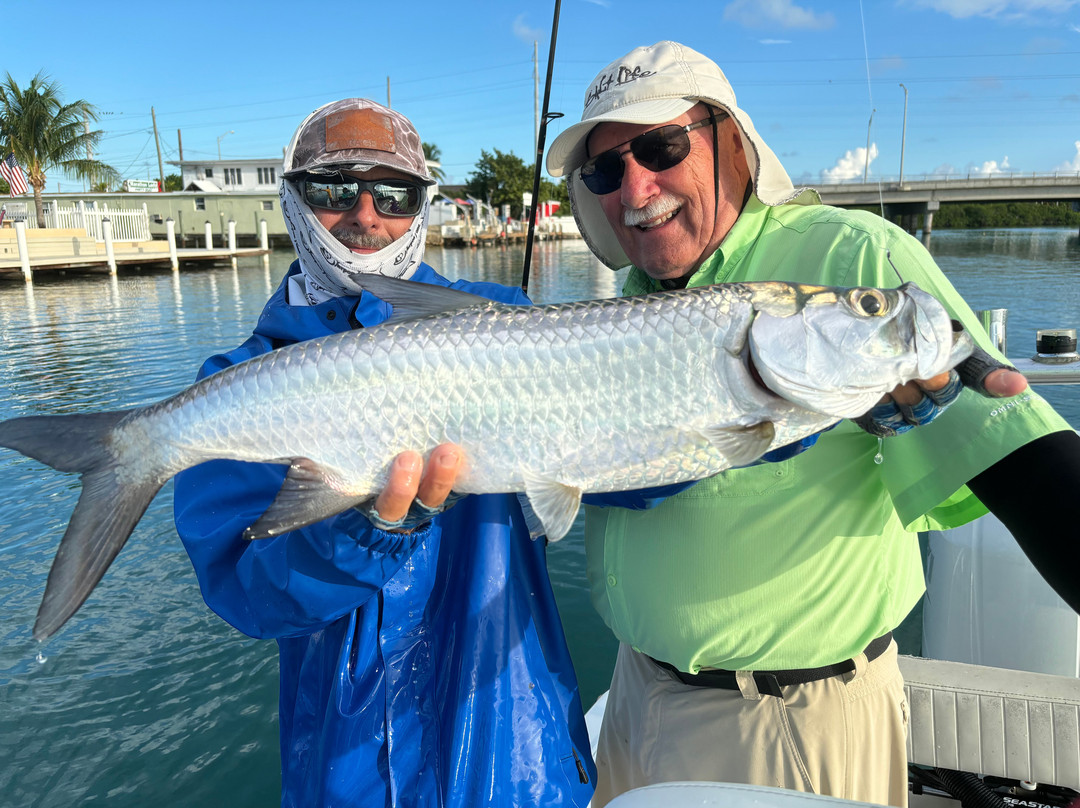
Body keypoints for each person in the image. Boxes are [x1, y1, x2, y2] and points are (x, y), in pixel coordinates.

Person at [546, 41, 1080, 808]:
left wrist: (921, 368)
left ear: (733, 143)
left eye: (661, 147)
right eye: (604, 170)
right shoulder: (626, 301)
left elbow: (1027, 466)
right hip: (633, 696)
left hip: (790, 722)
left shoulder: (853, 255)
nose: (635, 185)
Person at [173, 99, 595, 808]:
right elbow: (247, 594)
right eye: (335, 189)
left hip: (520, 763)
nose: (366, 215)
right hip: (346, 778)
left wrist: (758, 408)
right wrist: (362, 534)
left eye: (394, 194)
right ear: (292, 198)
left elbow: (637, 472)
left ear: (422, 204)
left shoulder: (513, 322)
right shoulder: (235, 381)